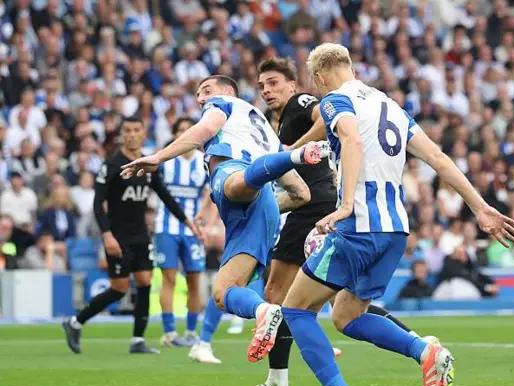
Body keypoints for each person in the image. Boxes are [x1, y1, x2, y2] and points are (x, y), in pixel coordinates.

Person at [247, 43, 514, 386]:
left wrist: (344, 205)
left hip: (359, 226)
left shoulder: (335, 100)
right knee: (346, 316)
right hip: (395, 231)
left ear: (319, 78)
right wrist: (480, 207)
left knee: (295, 310)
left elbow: (352, 140)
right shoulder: (390, 105)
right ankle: (425, 351)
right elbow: (438, 158)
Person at [233, 57, 446, 386]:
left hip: (317, 208)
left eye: (273, 83)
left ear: (296, 83)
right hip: (367, 217)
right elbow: (435, 157)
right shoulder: (285, 120)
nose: (267, 91)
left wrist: (294, 150)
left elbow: (331, 121)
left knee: (284, 298)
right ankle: (420, 347)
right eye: (261, 86)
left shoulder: (304, 103)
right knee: (342, 308)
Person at [120, 75, 327, 364]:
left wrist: (159, 156)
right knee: (223, 292)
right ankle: (264, 311)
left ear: (228, 91)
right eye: (198, 94)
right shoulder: (266, 131)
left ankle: (294, 157)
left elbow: (205, 129)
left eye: (206, 90)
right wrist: (265, 203)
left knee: (235, 184)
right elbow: (301, 193)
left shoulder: (223, 103)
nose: (201, 98)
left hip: (235, 175)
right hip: (261, 207)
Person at [62, 116, 200, 355]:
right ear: (121, 134)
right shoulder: (112, 165)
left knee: (145, 281)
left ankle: (137, 340)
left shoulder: (147, 164)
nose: (132, 134)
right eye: (128, 130)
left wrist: (188, 222)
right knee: (119, 288)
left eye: (137, 130)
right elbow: (98, 203)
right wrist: (107, 235)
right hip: (117, 236)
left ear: (143, 133)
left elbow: (165, 196)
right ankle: (75, 321)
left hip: (140, 235)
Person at [155, 117, 209, 347]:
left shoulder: (203, 161)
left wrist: (204, 218)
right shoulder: (165, 160)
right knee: (168, 280)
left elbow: (210, 193)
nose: (185, 133)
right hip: (166, 227)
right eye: (180, 130)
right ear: (175, 134)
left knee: (194, 281)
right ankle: (169, 332)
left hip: (193, 230)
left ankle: (191, 331)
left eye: (189, 129)